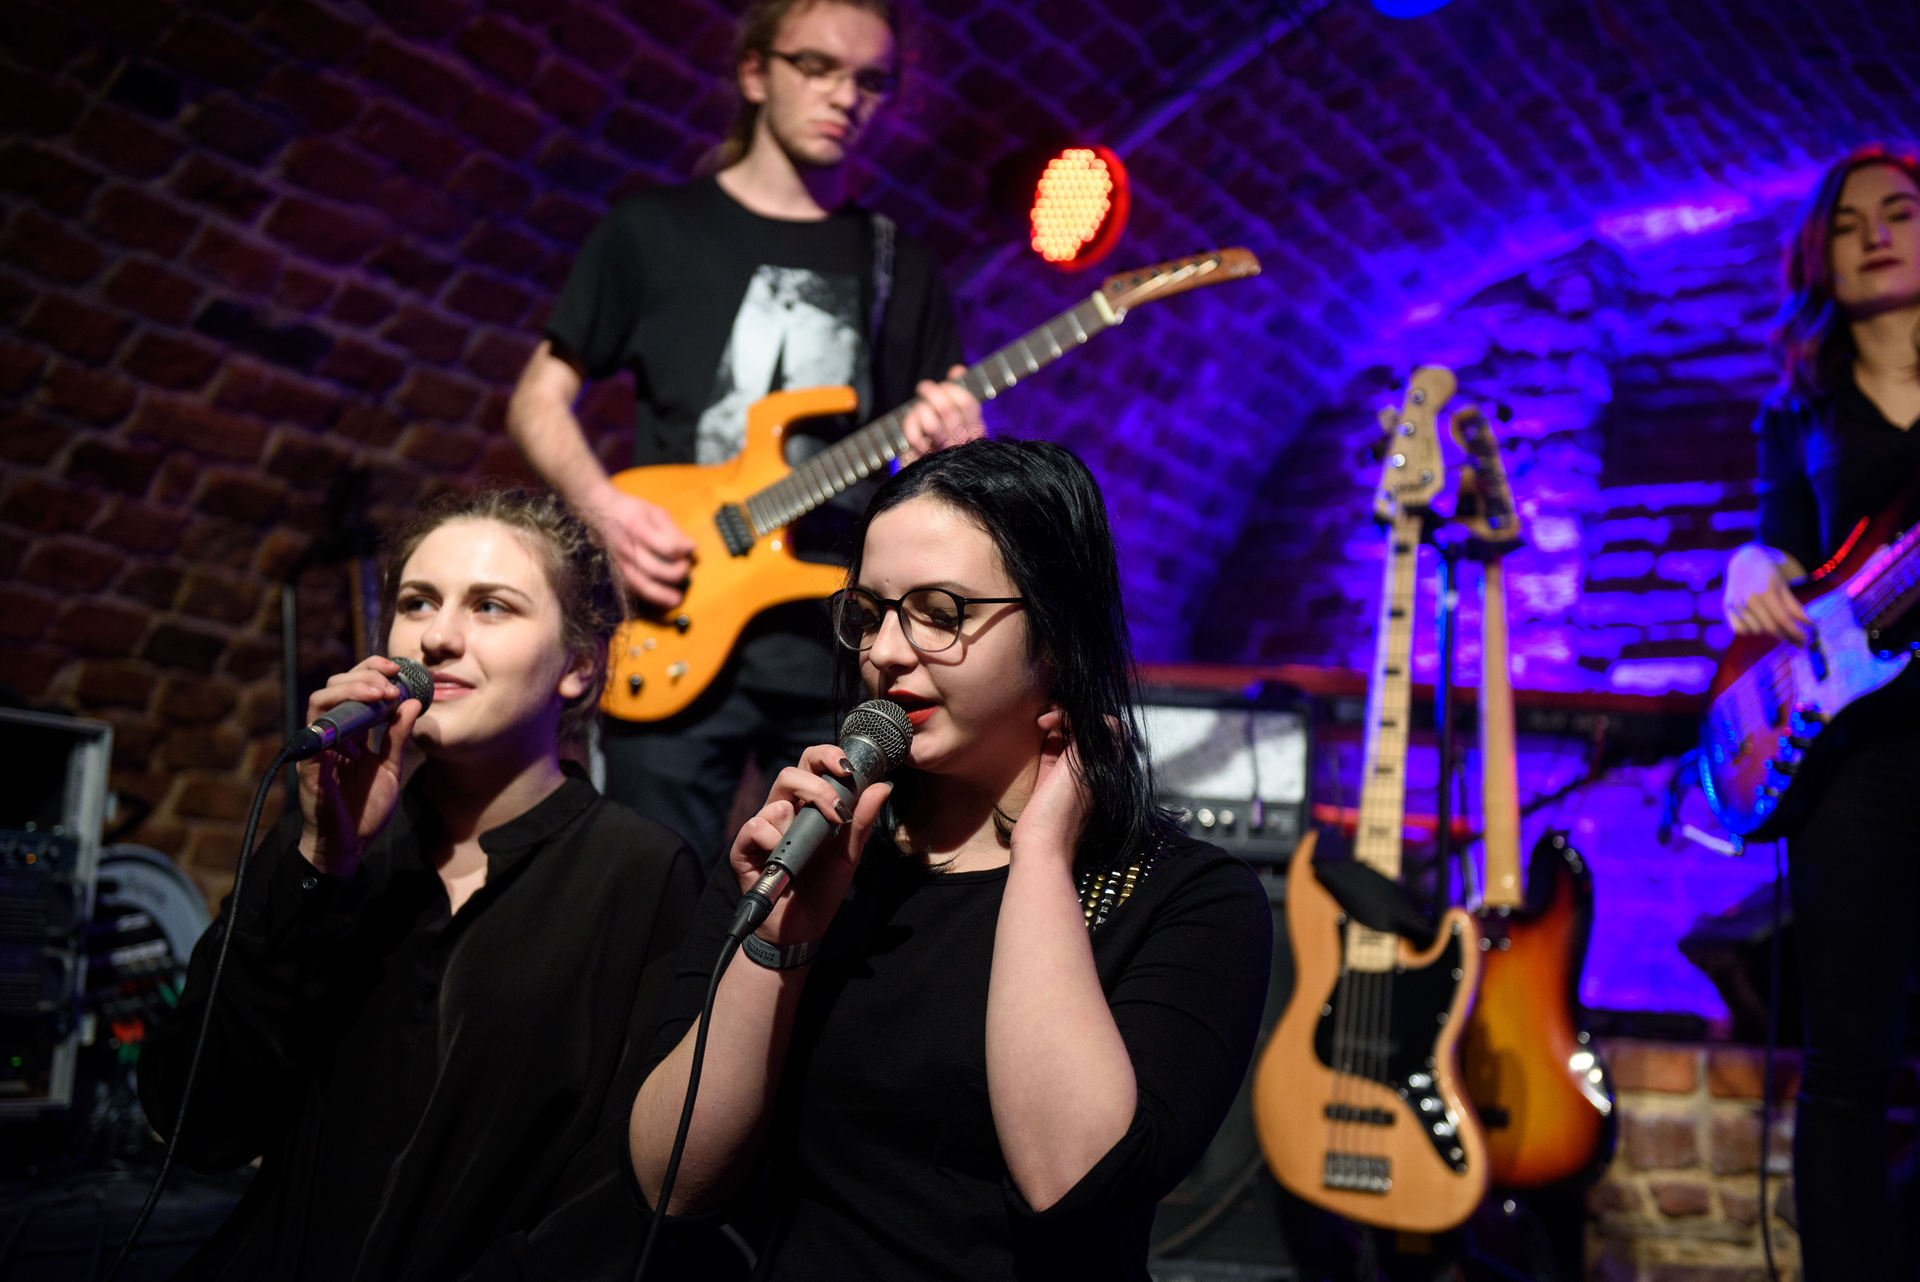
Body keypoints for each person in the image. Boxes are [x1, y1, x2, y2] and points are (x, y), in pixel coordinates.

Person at [628, 438, 1274, 1279]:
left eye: (940, 612)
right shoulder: (803, 852)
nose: (886, 651)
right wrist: (777, 945)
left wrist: (1039, 853)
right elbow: (671, 1183)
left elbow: (1072, 1179)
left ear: (1056, 633)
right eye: (870, 613)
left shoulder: (1187, 897)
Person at [140, 489, 702, 1281]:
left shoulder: (639, 872)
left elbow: (615, 1198)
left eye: (491, 606)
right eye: (417, 603)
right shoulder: (332, 840)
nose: (437, 637)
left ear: (579, 665)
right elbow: (196, 1122)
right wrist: (316, 862)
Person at [507, 0, 983, 869]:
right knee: (650, 892)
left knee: (837, 900)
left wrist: (946, 455)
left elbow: (937, 472)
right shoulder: (652, 231)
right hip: (675, 621)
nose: (845, 97)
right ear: (756, 71)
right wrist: (604, 509)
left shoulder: (902, 266)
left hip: (837, 643)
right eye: (818, 67)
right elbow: (538, 397)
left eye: (871, 81)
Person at [1720, 145, 1920, 1281]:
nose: (1876, 234)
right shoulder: (1799, 409)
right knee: (1846, 1063)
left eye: (1901, 212)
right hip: (1853, 760)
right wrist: (1748, 565)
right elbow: (1780, 547)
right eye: (1848, 223)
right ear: (1820, 258)